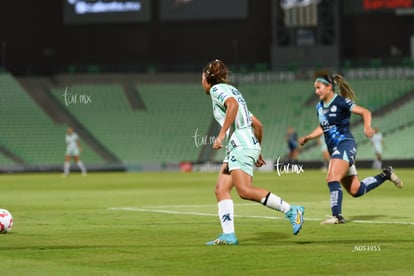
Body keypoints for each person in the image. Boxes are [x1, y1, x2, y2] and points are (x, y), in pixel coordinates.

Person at [201, 59, 304, 245]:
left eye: (201, 78)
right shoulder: (234, 91)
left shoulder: (217, 90)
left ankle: (291, 210)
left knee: (245, 191)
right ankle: (228, 234)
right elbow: (258, 125)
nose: (201, 82)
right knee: (221, 189)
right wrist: (257, 149)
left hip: (240, 144)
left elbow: (233, 106)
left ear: (207, 78)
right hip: (245, 144)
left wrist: (221, 135)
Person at [299, 74, 403, 224]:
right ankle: (385, 174)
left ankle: (337, 216)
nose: (316, 91)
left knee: (332, 178)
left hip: (345, 145)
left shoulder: (341, 102)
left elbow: (365, 112)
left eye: (318, 87)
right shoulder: (319, 107)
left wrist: (367, 126)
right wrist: (308, 137)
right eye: (315, 88)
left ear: (329, 87)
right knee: (356, 190)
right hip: (336, 149)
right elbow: (323, 127)